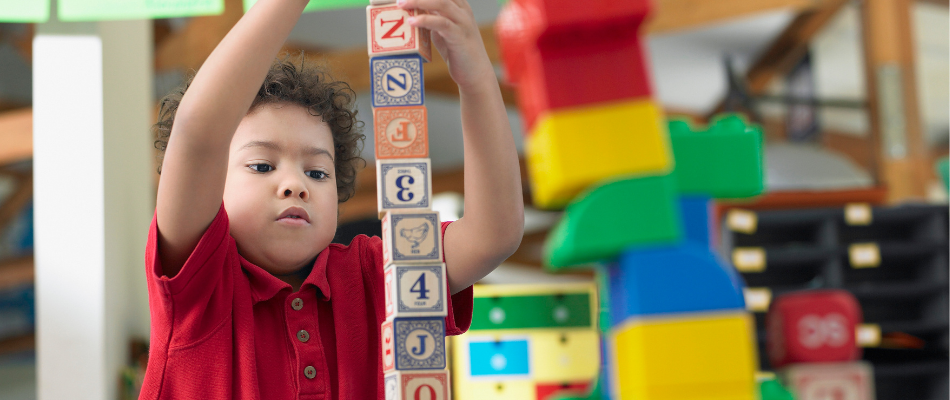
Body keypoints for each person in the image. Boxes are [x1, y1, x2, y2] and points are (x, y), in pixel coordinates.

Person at [140, 0, 524, 398]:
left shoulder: (376, 275)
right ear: (209, 185)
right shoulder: (197, 287)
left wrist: (476, 80)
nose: (295, 185)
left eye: (317, 172)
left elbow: (493, 236)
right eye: (261, 166)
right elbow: (198, 134)